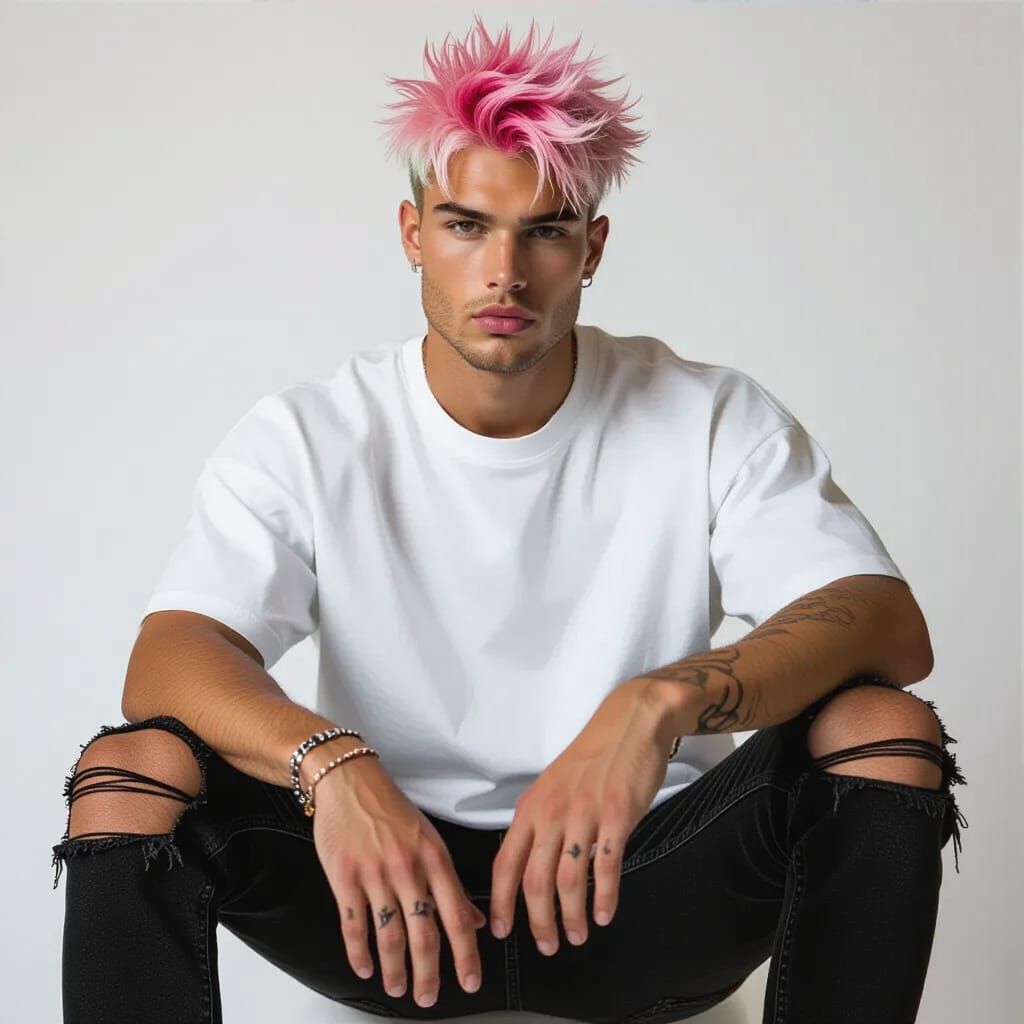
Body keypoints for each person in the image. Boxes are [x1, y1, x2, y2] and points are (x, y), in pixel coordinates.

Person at [52, 16, 967, 1024]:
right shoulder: (313, 433)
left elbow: (885, 622)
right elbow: (171, 656)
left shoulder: (706, 416)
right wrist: (333, 764)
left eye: (546, 231)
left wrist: (653, 707)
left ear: (592, 247)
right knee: (130, 770)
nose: (505, 270)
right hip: (388, 902)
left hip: (643, 890)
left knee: (882, 729)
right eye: (466, 225)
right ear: (413, 234)